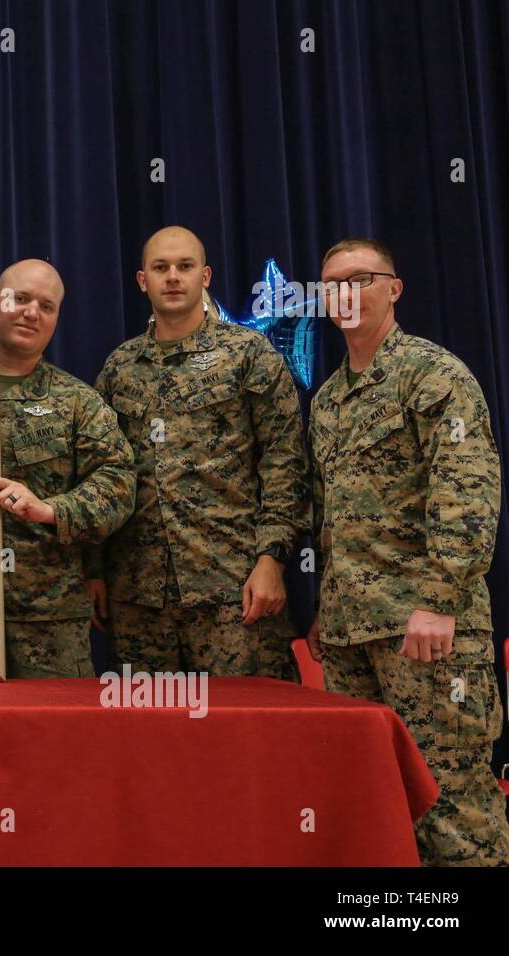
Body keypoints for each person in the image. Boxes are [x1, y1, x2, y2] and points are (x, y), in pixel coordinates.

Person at [308, 237, 509, 865]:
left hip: (426, 629)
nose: (345, 292)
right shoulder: (327, 399)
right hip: (350, 635)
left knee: (450, 805)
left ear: (393, 289)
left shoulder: (434, 375)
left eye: (360, 278)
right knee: (372, 802)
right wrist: (328, 607)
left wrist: (439, 600)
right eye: (332, 283)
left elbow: (468, 490)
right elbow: (335, 517)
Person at [86, 226, 310, 679]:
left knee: (246, 737)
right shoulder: (119, 368)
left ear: (205, 275)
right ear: (141, 280)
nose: (173, 277)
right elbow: (101, 473)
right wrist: (95, 570)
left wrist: (273, 558)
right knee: (148, 741)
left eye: (185, 267)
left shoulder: (249, 355)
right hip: (139, 598)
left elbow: (284, 460)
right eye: (161, 267)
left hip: (233, 587)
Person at [0, 259, 135, 678]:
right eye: (20, 298)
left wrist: (52, 510)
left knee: (56, 740)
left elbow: (119, 482)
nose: (32, 312)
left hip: (47, 620)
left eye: (47, 306)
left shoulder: (76, 402)